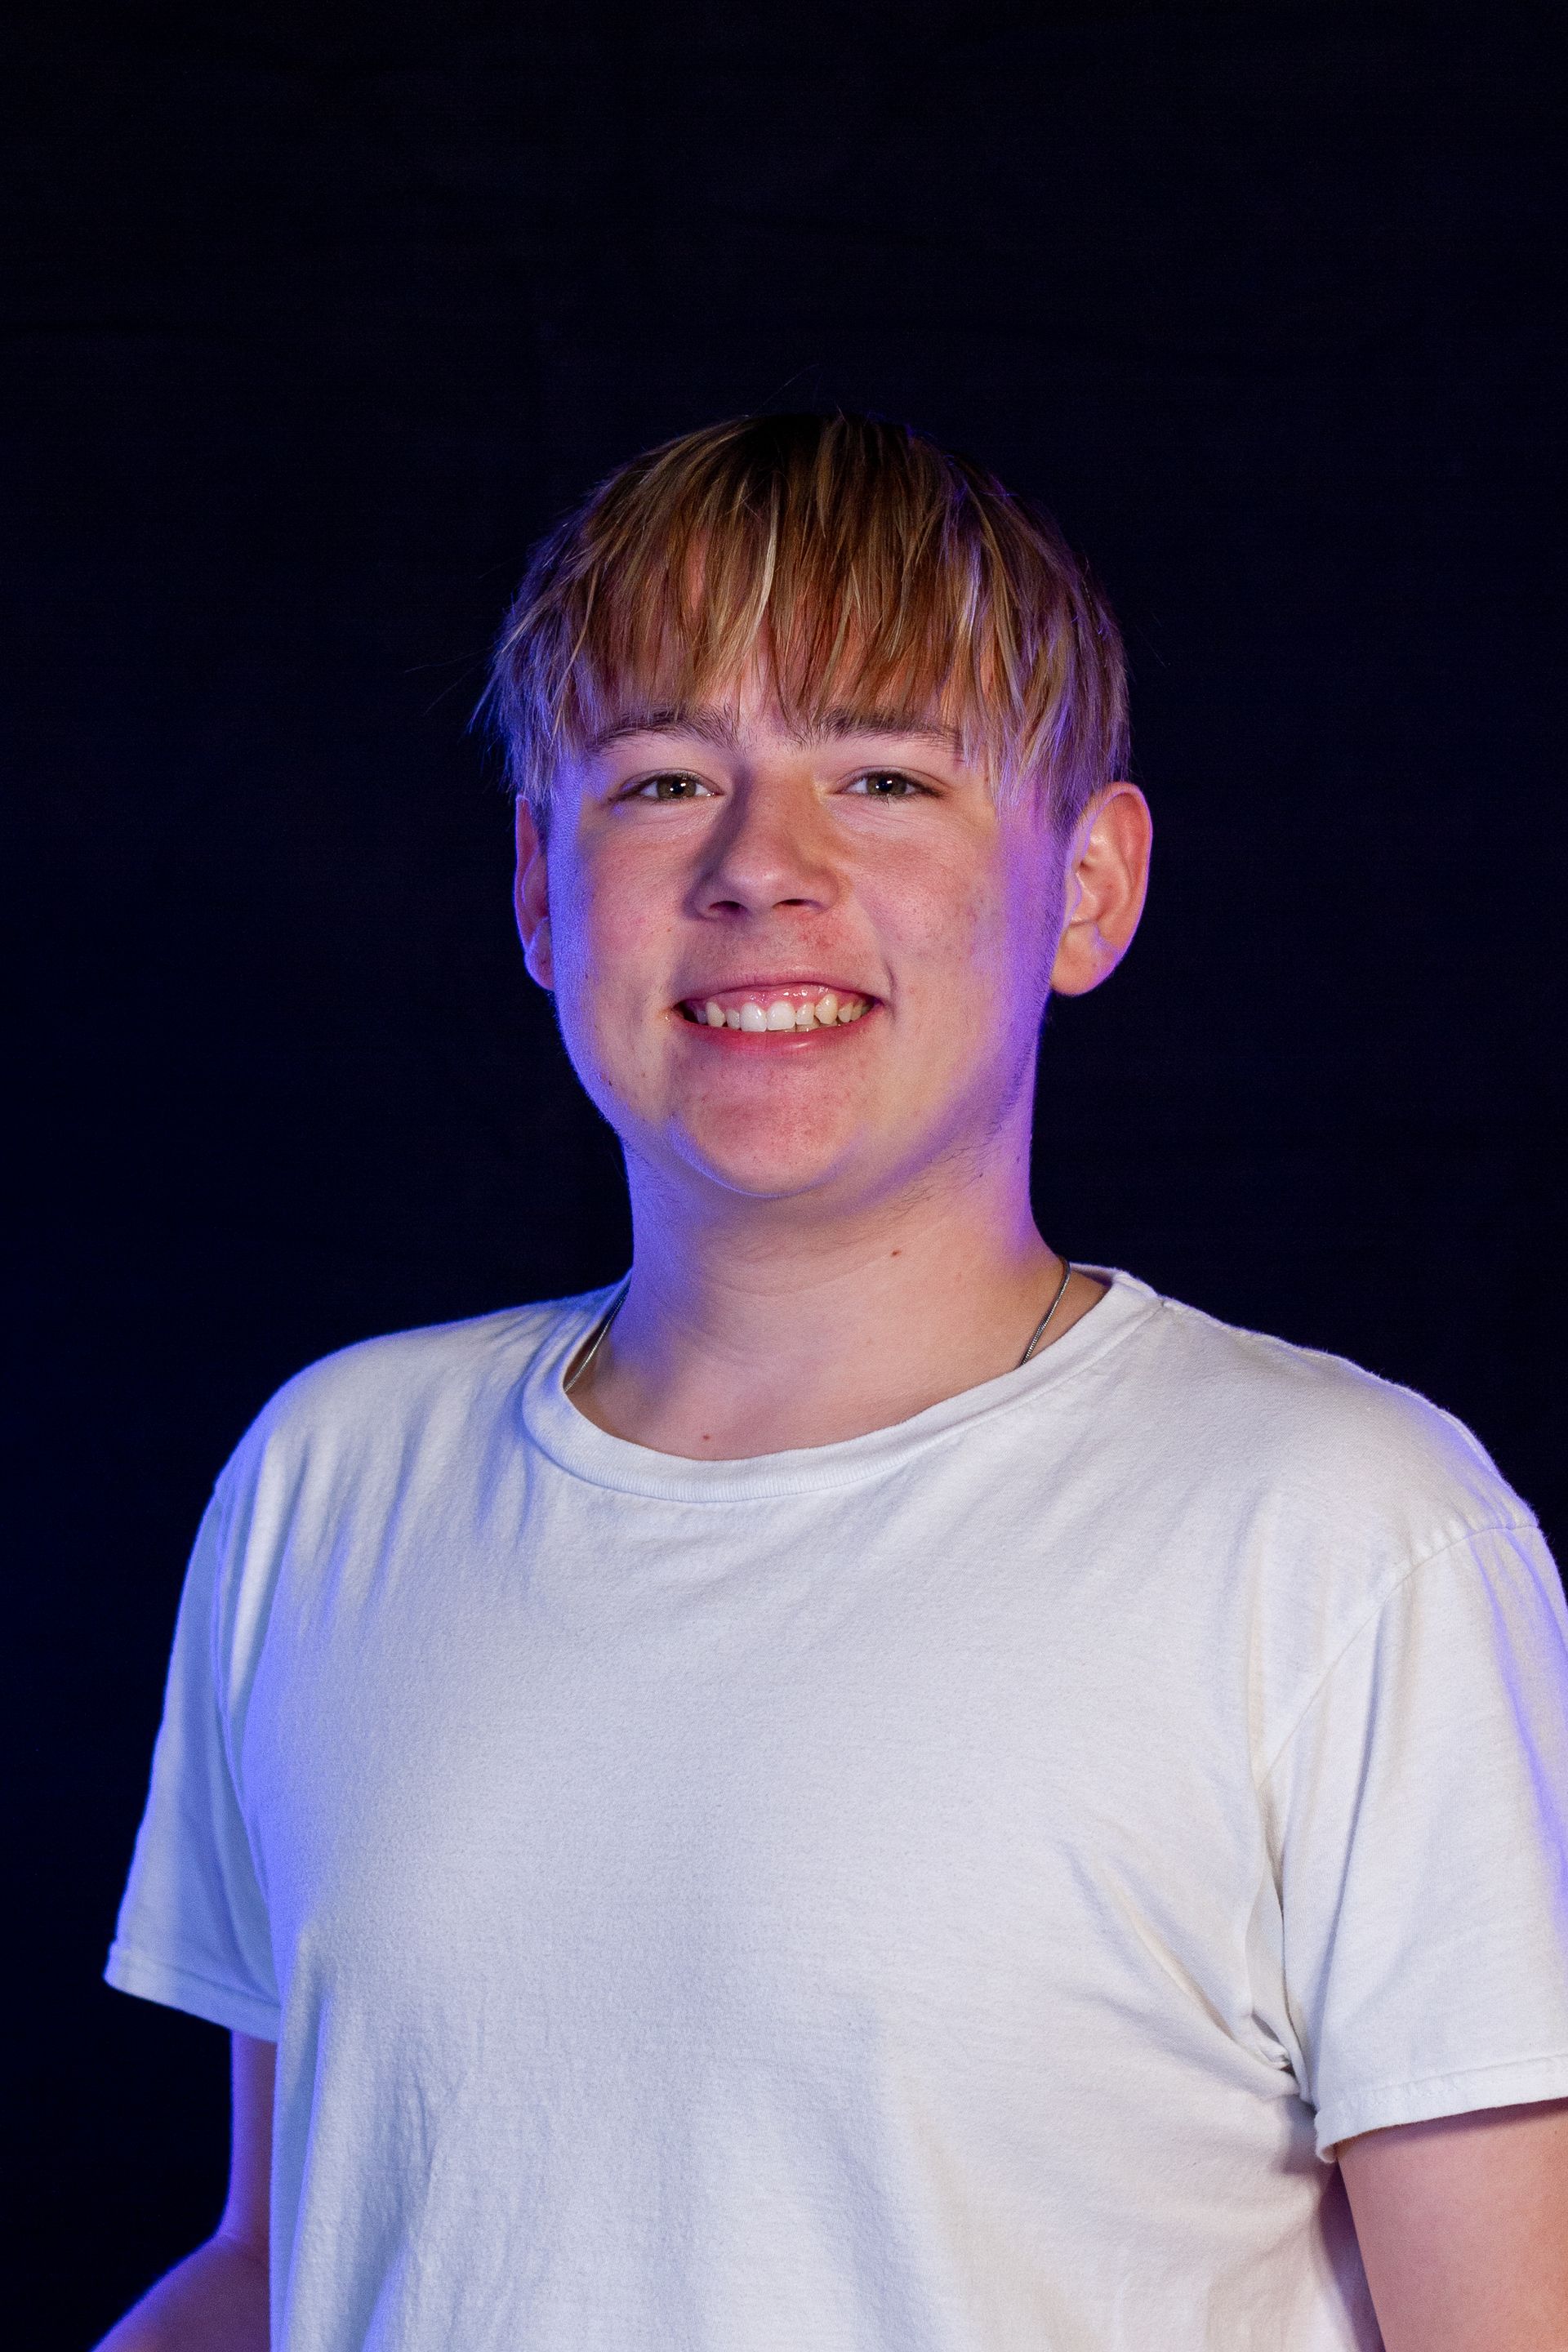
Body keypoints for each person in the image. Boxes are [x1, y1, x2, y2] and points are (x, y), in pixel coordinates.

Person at [97, 414, 1568, 2352]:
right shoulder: (335, 1477)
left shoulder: (1347, 1538)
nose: (758, 871)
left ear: (1093, 889)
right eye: (660, 783)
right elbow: (294, 2265)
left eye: (883, 775)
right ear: (541, 891)